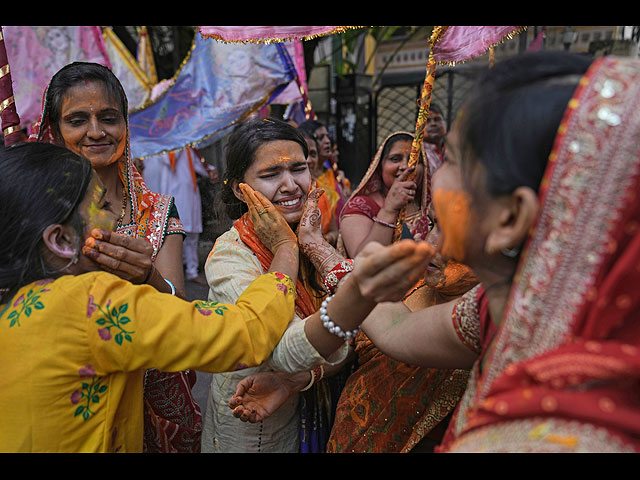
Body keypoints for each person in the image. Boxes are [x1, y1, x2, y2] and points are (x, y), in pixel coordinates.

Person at [359, 51, 640, 452]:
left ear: (509, 219)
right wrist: (342, 271)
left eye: (452, 160)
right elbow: (397, 329)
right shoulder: (519, 304)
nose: (433, 176)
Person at [0, 141, 297, 452]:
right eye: (102, 206)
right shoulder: (94, 303)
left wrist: (149, 279)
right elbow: (244, 333)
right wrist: (285, 249)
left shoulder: (13, 301)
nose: (115, 217)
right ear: (61, 240)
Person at [201, 117, 432, 452]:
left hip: (311, 413)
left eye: (299, 168)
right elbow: (284, 352)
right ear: (239, 189)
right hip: (252, 424)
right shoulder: (230, 256)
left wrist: (312, 247)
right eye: (270, 174)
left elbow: (348, 343)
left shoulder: (307, 238)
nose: (291, 185)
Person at [28, 61, 195, 452]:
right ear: (54, 130)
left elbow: (180, 309)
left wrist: (148, 276)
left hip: (149, 400)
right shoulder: (34, 212)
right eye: (77, 120)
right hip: (63, 397)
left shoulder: (158, 209)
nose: (96, 132)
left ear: (125, 125)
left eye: (108, 118)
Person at [229, 205, 478, 453]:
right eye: (433, 225)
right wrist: (294, 380)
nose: (431, 243)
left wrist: (320, 252)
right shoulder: (417, 280)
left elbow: (395, 329)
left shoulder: (488, 318)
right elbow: (361, 343)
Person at [338, 131, 429, 258]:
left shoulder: (432, 206)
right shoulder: (361, 207)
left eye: (414, 159)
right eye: (395, 159)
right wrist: (389, 210)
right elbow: (363, 263)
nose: (404, 166)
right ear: (380, 168)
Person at [143, 146, 219, 285]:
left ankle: (192, 271)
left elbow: (199, 164)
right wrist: (175, 144)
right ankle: (177, 269)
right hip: (171, 195)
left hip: (189, 194)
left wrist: (210, 171)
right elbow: (166, 160)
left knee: (191, 233)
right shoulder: (161, 149)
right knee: (173, 233)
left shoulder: (188, 148)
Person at [298, 119, 348, 228]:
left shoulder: (333, 174)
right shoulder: (304, 183)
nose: (327, 141)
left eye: (327, 136)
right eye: (320, 138)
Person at [298, 126, 338, 245]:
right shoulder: (288, 194)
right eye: (304, 154)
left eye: (313, 154)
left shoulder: (319, 192)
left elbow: (334, 231)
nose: (309, 160)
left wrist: (325, 240)